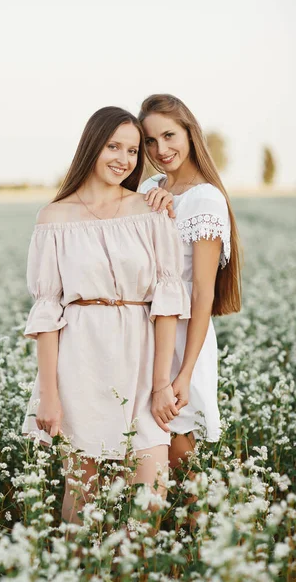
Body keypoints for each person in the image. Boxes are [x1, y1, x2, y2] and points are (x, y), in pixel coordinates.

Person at [22, 106, 190, 524]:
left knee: (152, 494)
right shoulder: (53, 218)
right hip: (80, 363)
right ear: (92, 146)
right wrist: (49, 395)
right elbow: (46, 314)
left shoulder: (152, 212)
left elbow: (166, 304)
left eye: (133, 151)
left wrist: (160, 384)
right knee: (81, 498)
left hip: (140, 360)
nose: (123, 158)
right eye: (114, 146)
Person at [138, 94, 242, 472]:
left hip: (184, 338)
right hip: (145, 330)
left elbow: (202, 293)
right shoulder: (149, 186)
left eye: (169, 136)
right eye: (150, 140)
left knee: (180, 454)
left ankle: (199, 529)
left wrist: (184, 373)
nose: (160, 149)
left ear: (189, 132)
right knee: (146, 452)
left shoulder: (205, 199)